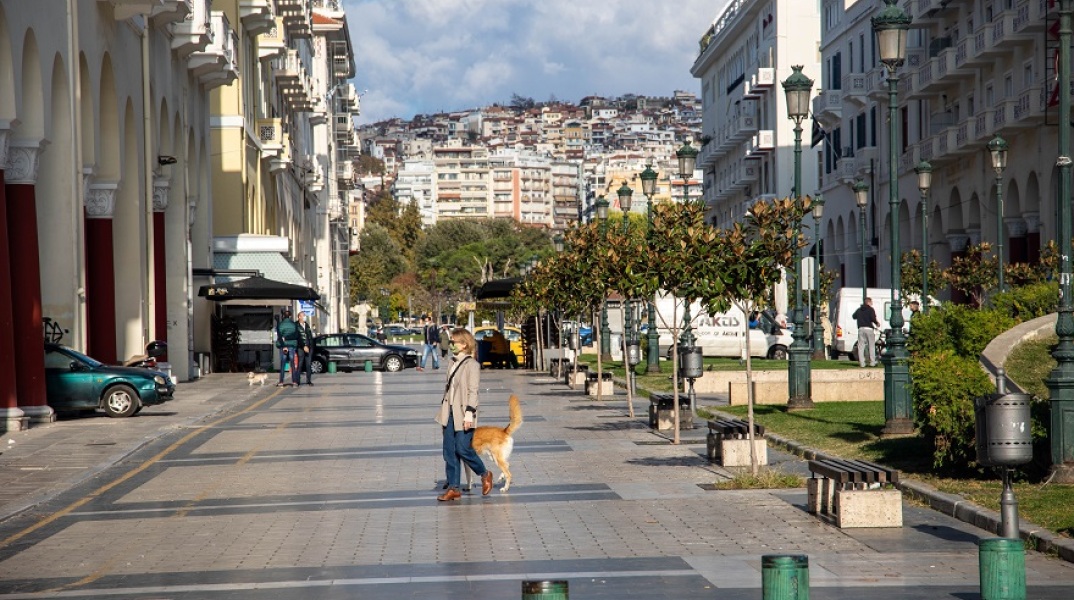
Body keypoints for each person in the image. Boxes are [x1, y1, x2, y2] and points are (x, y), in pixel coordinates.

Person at [434, 328, 492, 501]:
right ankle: (454, 488)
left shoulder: (472, 365)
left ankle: (484, 473)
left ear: (464, 344)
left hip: (464, 412)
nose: (451, 345)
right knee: (449, 451)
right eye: (450, 342)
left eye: (454, 342)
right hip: (449, 411)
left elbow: (473, 391)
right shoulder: (452, 362)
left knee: (462, 448)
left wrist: (469, 414)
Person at [852, 297, 880, 368]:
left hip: (861, 329)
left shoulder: (859, 310)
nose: (872, 303)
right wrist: (877, 323)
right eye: (871, 302)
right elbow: (873, 318)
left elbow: (854, 316)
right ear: (868, 302)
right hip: (869, 329)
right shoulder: (871, 309)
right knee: (871, 345)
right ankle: (872, 362)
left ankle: (862, 363)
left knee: (861, 346)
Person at [275, 307, 299, 386]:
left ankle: (281, 381)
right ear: (290, 316)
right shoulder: (294, 325)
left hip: (283, 346)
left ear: (284, 316)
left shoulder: (280, 325)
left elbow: (279, 336)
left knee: (283, 363)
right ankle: (294, 381)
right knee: (292, 363)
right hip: (292, 345)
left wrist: (283, 344)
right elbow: (296, 335)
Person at [296, 312, 314, 386]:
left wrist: (311, 346)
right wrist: (303, 346)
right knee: (300, 364)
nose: (304, 317)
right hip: (301, 347)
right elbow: (298, 337)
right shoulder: (296, 325)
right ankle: (297, 381)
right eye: (303, 316)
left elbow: (309, 336)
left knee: (308, 364)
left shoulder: (307, 325)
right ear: (299, 317)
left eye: (305, 316)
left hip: (309, 347)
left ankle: (309, 380)